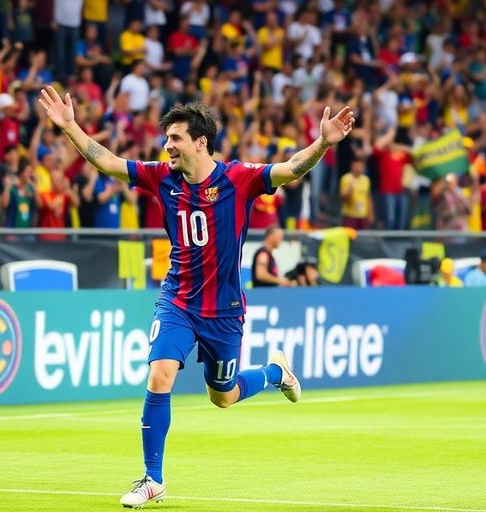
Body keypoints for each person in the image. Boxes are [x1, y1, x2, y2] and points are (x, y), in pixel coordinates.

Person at [36, 87, 354, 507]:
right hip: (178, 300)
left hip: (223, 311)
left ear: (200, 142)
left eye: (176, 138)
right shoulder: (160, 176)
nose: (167, 145)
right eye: (167, 138)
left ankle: (276, 373)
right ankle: (152, 479)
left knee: (223, 396)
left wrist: (323, 143)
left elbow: (291, 168)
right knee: (159, 374)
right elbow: (107, 161)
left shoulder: (238, 179)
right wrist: (71, 126)